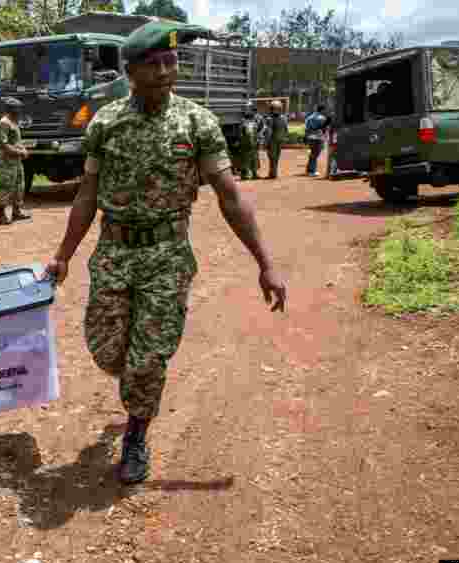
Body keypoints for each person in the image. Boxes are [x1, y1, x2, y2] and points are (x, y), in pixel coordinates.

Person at [43, 21, 287, 485]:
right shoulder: (105, 123)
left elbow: (229, 196)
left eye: (170, 61)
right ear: (130, 71)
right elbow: (87, 196)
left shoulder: (198, 123)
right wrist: (63, 255)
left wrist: (265, 262)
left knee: (146, 358)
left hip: (167, 256)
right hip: (113, 252)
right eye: (152, 64)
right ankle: (136, 386)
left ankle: (136, 434)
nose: (164, 71)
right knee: (107, 350)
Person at [0, 97, 31, 225]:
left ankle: (16, 212)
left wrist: (23, 149)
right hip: (8, 162)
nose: (20, 112)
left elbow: (16, 141)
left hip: (17, 161)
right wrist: (20, 152)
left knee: (19, 186)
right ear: (12, 110)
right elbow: (3, 144)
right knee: (6, 187)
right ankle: (2, 215)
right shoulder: (4, 123)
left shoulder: (14, 122)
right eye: (18, 109)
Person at [304, 104, 330, 177]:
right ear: (322, 110)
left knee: (312, 154)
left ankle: (309, 169)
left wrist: (306, 137)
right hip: (318, 137)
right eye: (325, 110)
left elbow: (306, 128)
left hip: (310, 137)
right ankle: (312, 171)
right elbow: (325, 129)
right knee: (315, 155)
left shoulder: (309, 117)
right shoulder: (322, 118)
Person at [266, 99, 288, 179]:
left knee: (272, 157)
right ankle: (274, 172)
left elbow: (269, 132)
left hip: (273, 140)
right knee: (276, 157)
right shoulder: (284, 118)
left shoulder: (270, 119)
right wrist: (284, 138)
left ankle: (273, 173)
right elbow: (286, 130)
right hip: (280, 140)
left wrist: (266, 142)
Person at [238, 103, 260, 180]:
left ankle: (254, 173)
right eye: (250, 109)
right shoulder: (243, 121)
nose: (252, 111)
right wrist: (242, 142)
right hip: (246, 144)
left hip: (254, 143)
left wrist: (258, 140)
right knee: (245, 159)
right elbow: (240, 134)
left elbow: (257, 132)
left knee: (254, 158)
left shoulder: (254, 121)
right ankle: (244, 174)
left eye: (252, 109)